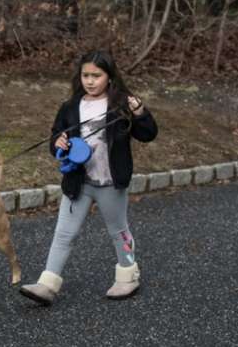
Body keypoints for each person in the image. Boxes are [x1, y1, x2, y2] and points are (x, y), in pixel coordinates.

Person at [19, 50, 158, 305]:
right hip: (78, 182)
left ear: (110, 77)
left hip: (110, 182)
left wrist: (140, 113)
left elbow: (148, 134)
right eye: (86, 75)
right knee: (64, 234)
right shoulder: (70, 106)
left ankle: (128, 276)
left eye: (97, 75)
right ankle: (47, 284)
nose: (90, 81)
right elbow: (56, 137)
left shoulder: (121, 104)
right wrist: (57, 142)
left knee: (119, 231)